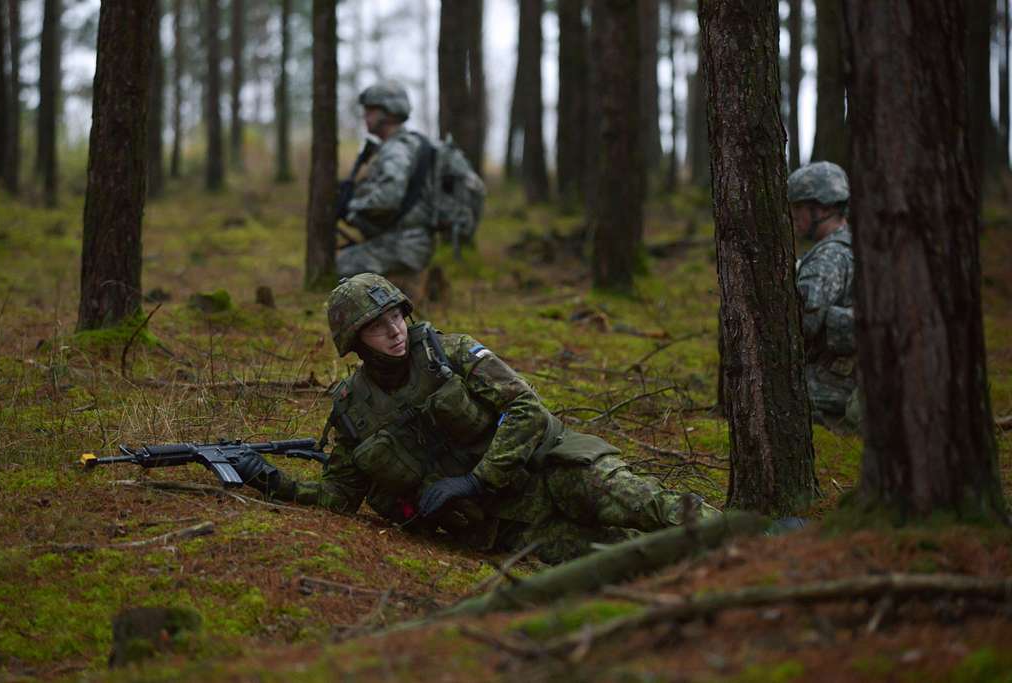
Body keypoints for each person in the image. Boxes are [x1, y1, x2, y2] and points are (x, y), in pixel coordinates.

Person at [232, 273, 719, 564]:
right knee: (617, 559)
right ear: (354, 341)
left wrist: (474, 479)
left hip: (551, 469)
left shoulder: (450, 351)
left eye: (397, 317)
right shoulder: (354, 411)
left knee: (641, 503)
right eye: (377, 327)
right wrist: (272, 482)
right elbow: (340, 497)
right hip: (508, 524)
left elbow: (527, 409)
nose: (395, 332)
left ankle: (750, 536)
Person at [337, 81, 436, 285]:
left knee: (339, 267)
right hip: (405, 241)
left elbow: (388, 199)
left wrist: (351, 207)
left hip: (403, 245)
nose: (365, 116)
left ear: (388, 112)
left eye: (371, 110)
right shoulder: (400, 145)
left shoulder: (396, 150)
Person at [787, 161, 857, 422]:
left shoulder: (828, 258)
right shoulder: (849, 244)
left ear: (823, 208)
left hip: (835, 381)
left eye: (799, 207)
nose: (794, 216)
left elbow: (802, 326)